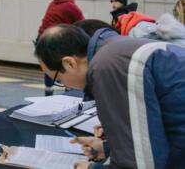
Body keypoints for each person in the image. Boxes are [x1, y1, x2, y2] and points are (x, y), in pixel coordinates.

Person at [35, 25, 185, 169]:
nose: (65, 85)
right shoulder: (117, 49)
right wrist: (108, 149)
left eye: (59, 79)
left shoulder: (107, 67)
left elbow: (140, 165)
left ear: (69, 63)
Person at [37, 0, 84, 95]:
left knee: (50, 65)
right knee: (70, 63)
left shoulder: (52, 4)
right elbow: (83, 25)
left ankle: (48, 92)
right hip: (55, 42)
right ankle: (69, 91)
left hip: (41, 41)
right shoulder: (71, 7)